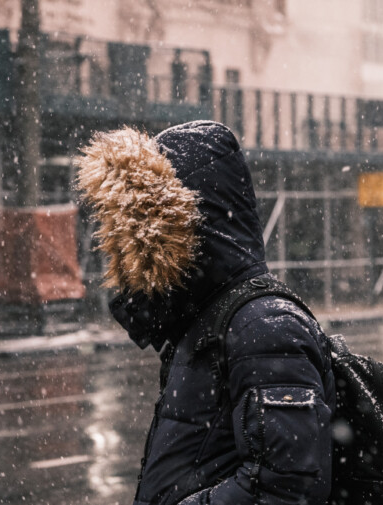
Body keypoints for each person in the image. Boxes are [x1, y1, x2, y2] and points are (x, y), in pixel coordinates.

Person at [75, 121, 335, 505]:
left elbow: (286, 486)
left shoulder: (262, 327)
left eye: (141, 225)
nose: (126, 241)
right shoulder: (209, 321)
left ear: (184, 223)